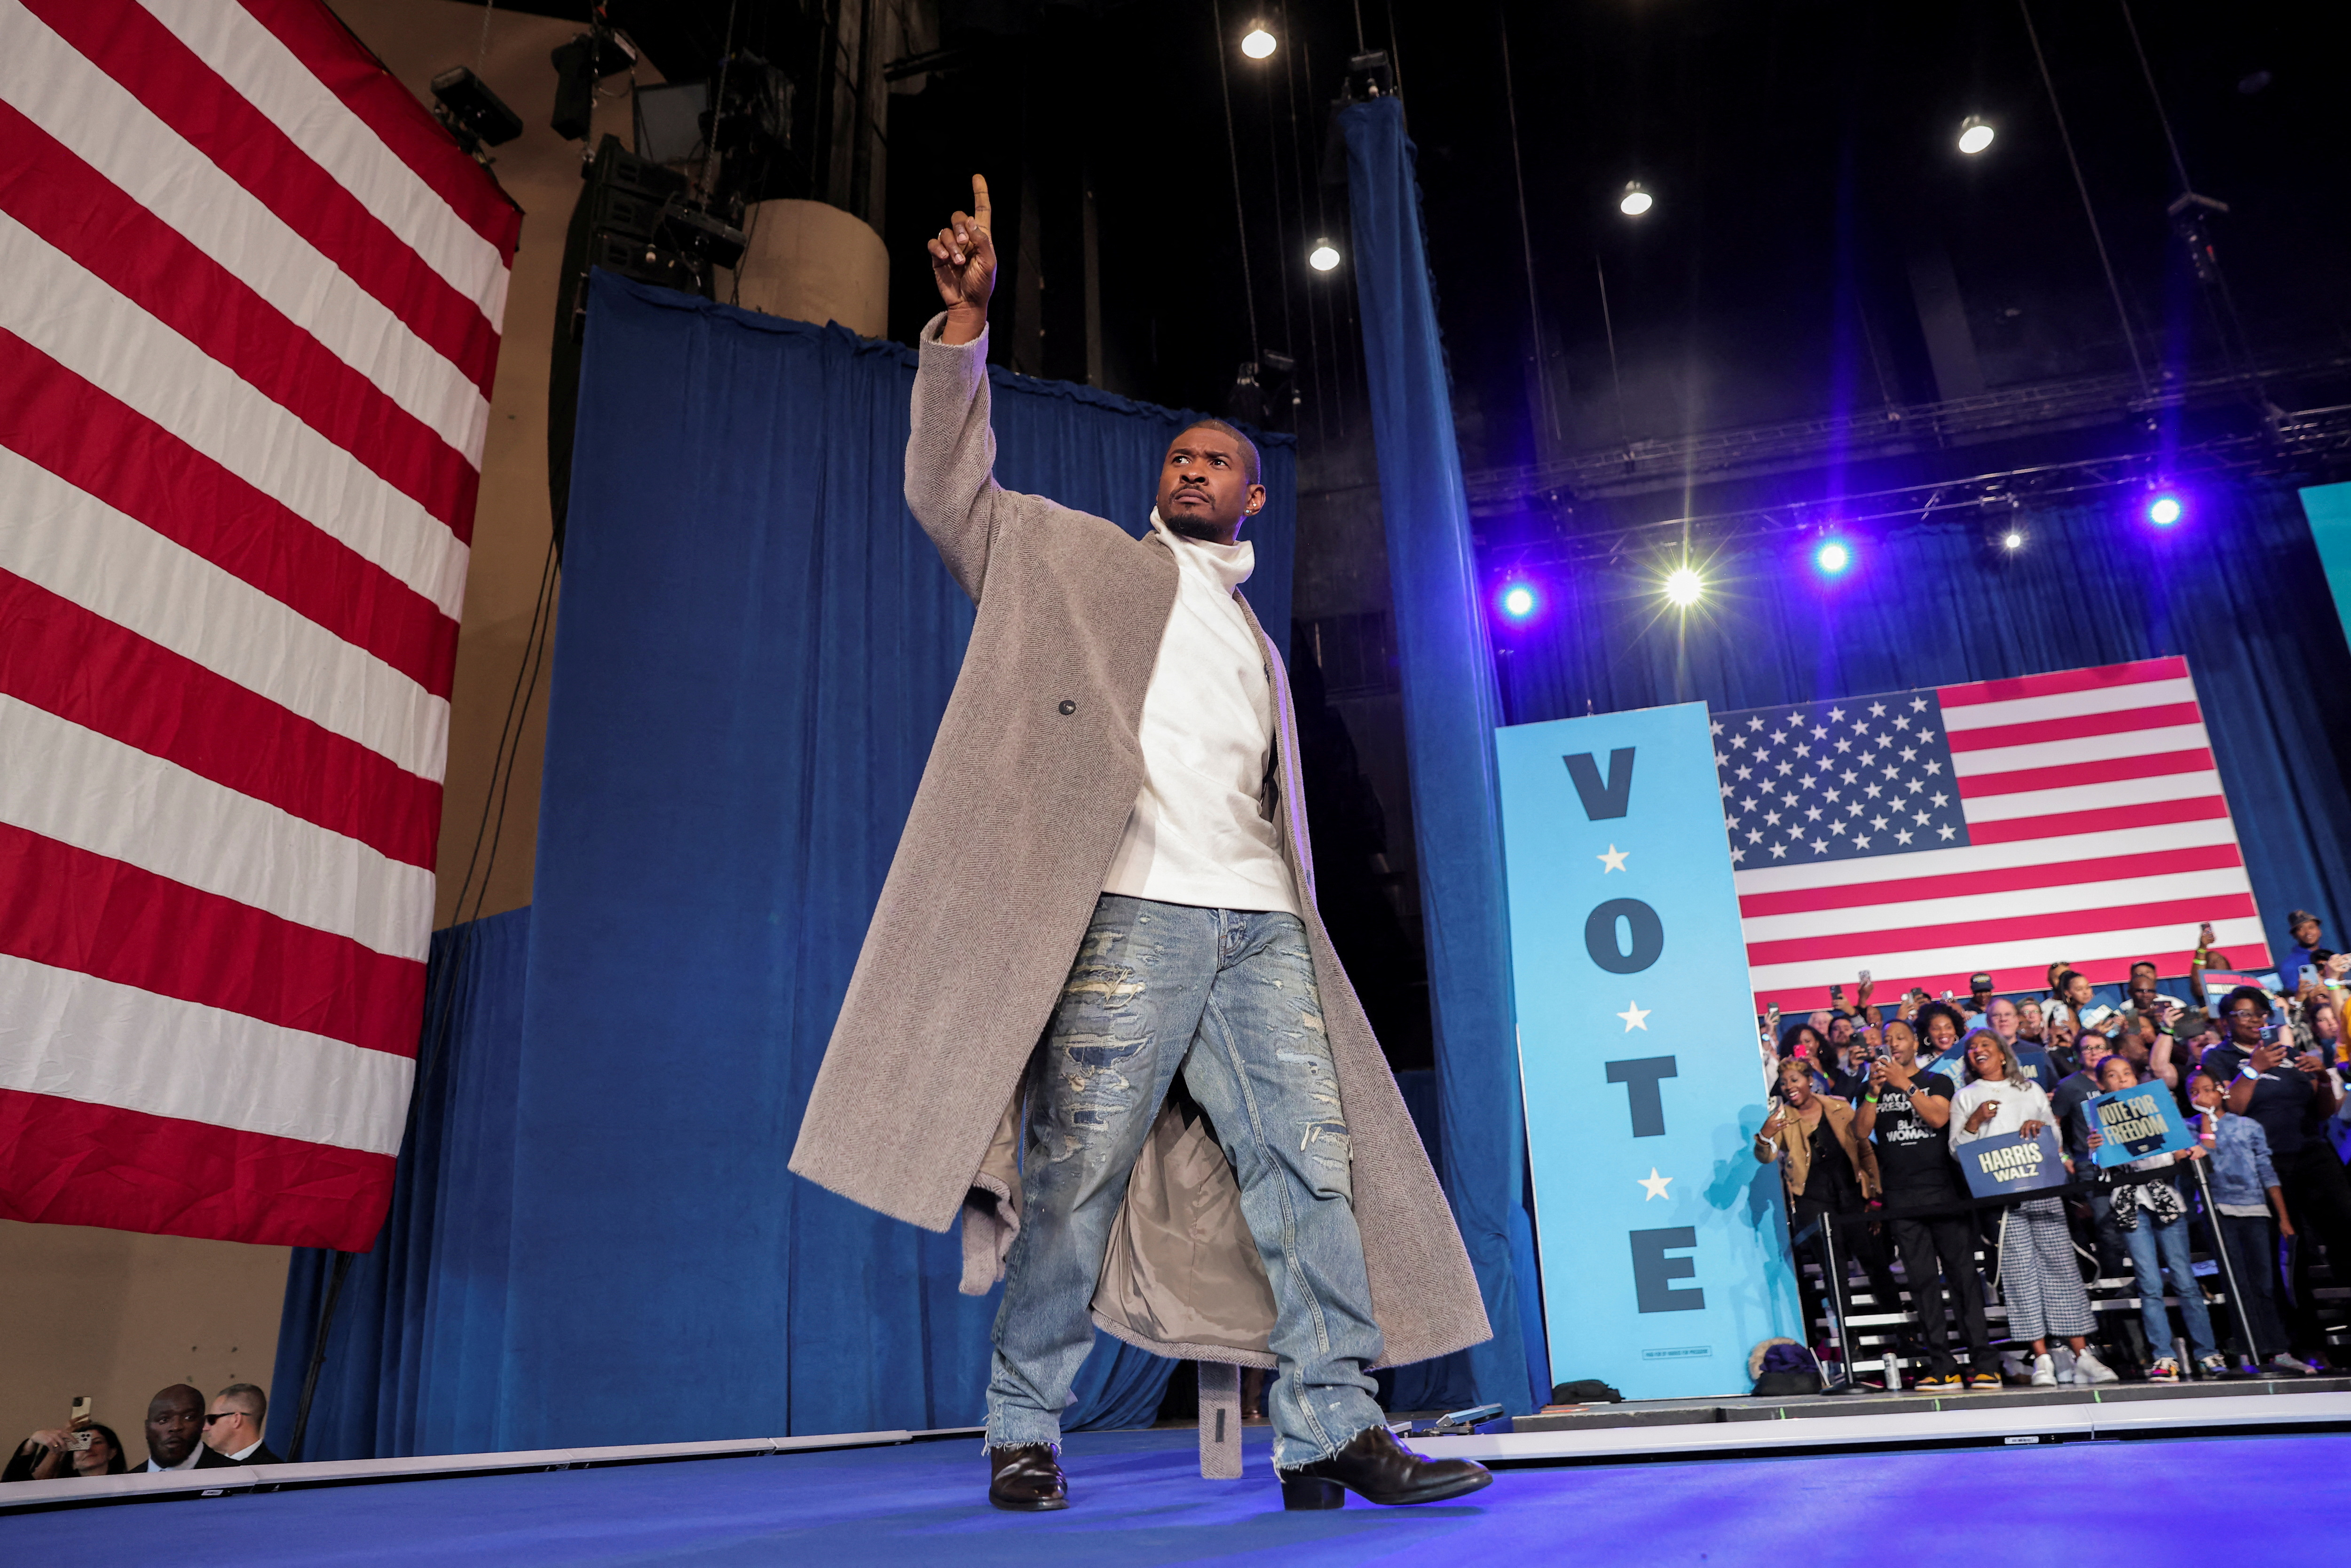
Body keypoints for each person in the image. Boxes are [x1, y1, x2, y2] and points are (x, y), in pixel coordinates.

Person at [787, 177, 1490, 1513]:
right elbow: (950, 491)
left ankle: (1330, 1420)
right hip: (1129, 915)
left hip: (1263, 926)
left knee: (1312, 1167)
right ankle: (1023, 1424)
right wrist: (964, 329)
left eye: (1216, 459)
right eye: (1178, 455)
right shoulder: (1072, 560)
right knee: (1076, 1176)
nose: (1189, 466)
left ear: (1257, 498)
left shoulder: (1264, 647)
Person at [1949, 1032, 2116, 1387]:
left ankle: (2082, 1354)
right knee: (2019, 1274)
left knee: (2061, 1266)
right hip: (2000, 1198)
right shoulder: (1965, 1096)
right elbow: (1956, 1149)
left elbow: (2055, 1139)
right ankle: (2042, 1358)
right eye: (1972, 1049)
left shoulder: (2030, 1090)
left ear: (2002, 1053)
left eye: (1985, 1046)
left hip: (2042, 1184)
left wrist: (2040, 1128)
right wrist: (1976, 1120)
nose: (1978, 1051)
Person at [2201, 986, 2351, 1367]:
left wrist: (2321, 1079)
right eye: (2243, 1014)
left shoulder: (2290, 1054)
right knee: (2292, 1254)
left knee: (2346, 1234)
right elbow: (2230, 1107)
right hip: (2264, 1166)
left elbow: (2323, 1112)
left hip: (2312, 1154)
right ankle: (2307, 1343)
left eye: (2258, 1013)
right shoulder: (2217, 1058)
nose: (2253, 1020)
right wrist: (2253, 1068)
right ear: (2226, 1021)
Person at [1854, 1019, 1997, 1389]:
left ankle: (1983, 1362)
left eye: (1899, 1037)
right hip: (1903, 1199)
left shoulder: (1938, 1082)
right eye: (1886, 1040)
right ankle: (1943, 1365)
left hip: (1945, 1193)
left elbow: (1936, 1117)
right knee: (1922, 1285)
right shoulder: (1873, 1088)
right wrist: (1872, 1092)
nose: (1892, 1043)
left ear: (1915, 1042)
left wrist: (1905, 1083)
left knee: (1963, 1279)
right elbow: (1860, 1131)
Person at [1754, 1057, 1900, 1379]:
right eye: (1785, 1083)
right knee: (1835, 1275)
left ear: (1810, 1080)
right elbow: (1765, 1156)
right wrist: (1765, 1136)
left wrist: (1875, 1193)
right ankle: (1851, 1345)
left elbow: (1865, 1149)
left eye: (1795, 1080)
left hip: (1852, 1195)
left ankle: (1900, 1332)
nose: (1790, 1087)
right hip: (1813, 1201)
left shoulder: (1838, 1107)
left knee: (1876, 1262)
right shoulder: (1781, 1119)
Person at [2084, 1056, 2224, 1381]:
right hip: (2131, 1204)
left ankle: (2207, 1352)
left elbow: (2180, 1151)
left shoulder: (2159, 1109)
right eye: (2113, 1076)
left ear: (2136, 1078)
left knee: (2185, 1279)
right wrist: (2097, 1150)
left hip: (2166, 1200)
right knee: (2149, 1283)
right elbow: (2104, 1172)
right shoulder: (2102, 1121)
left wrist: (2192, 1150)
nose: (2121, 1080)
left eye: (2127, 1074)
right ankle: (2164, 1356)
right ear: (2103, 1084)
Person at [2187, 1069, 2302, 1376]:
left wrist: (2284, 1217)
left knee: (2264, 1282)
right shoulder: (2190, 1129)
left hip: (2254, 1208)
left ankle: (2278, 1348)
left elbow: (2266, 1169)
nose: (2202, 1096)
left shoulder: (2248, 1126)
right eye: (2194, 1092)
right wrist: (2205, 1118)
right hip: (2219, 1210)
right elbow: (2206, 1151)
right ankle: (2248, 1349)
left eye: (2208, 1089)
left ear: (2222, 1091)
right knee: (2237, 1283)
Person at [140, 1385, 238, 1473]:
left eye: (189, 1418)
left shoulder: (238, 1475)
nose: (176, 1427)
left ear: (202, 1423)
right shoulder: (127, 1484)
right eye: (164, 1419)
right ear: (147, 1428)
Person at [4, 1420, 128, 1481]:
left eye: (97, 1442)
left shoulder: (129, 1487)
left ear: (112, 1453)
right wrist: (31, 1443)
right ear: (72, 1461)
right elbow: (11, 1487)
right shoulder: (60, 1493)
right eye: (79, 1445)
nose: (88, 1448)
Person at [203, 1384, 278, 1465]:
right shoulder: (211, 1465)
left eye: (211, 1419)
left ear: (236, 1420)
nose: (205, 1428)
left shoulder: (275, 1472)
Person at [2280, 911, 2326, 995]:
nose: (2308, 932)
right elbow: (2293, 994)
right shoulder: (2289, 964)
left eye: (2311, 927)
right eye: (2301, 929)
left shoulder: (2331, 956)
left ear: (2319, 931)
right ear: (2295, 935)